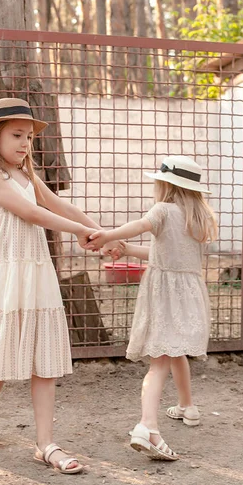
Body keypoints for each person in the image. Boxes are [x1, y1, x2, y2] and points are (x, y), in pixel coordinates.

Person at [0, 97, 122, 474]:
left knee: (43, 358)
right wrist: (81, 232)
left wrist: (102, 233)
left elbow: (58, 205)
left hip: (34, 273)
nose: (25, 144)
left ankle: (46, 443)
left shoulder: (28, 176)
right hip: (0, 274)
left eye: (29, 138)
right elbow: (32, 213)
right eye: (17, 135)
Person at [87, 155, 217, 461]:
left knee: (158, 361)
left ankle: (147, 426)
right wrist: (127, 248)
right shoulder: (197, 218)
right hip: (189, 294)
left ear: (164, 185)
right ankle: (188, 407)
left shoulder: (162, 210)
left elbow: (140, 225)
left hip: (164, 296)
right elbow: (166, 254)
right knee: (175, 351)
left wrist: (109, 235)